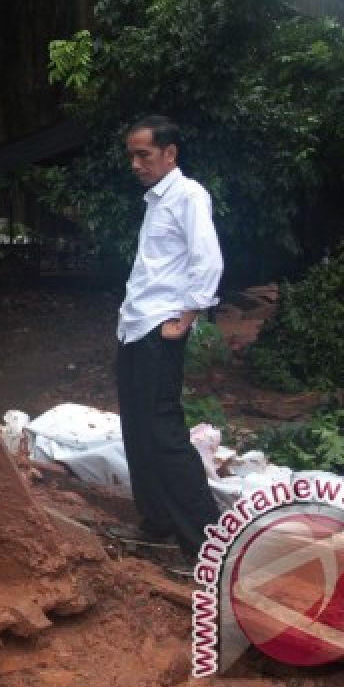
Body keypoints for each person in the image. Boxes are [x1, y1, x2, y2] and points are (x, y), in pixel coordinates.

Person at [113, 114, 223, 565]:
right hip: (135, 327)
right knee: (137, 429)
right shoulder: (156, 200)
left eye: (144, 154)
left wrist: (188, 316)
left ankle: (206, 547)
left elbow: (207, 259)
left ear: (169, 153)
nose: (136, 163)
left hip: (160, 330)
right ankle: (156, 520)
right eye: (132, 155)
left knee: (164, 434)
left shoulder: (188, 195)